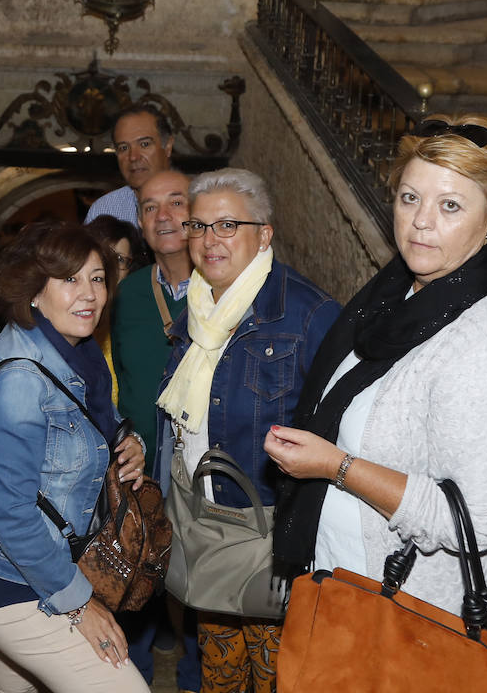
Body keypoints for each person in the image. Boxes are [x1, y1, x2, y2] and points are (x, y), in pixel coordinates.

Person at [267, 115, 487, 630]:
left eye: (450, 206)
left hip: (412, 616)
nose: (420, 222)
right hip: (343, 583)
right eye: (410, 197)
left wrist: (336, 467)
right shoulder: (399, 292)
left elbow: (472, 523)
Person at [158, 169, 340, 693]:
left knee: (273, 671)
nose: (209, 240)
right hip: (202, 516)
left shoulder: (308, 316)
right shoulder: (196, 304)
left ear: (265, 234)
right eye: (199, 226)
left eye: (228, 225)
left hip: (265, 528)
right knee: (219, 667)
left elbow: (337, 433)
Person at [0, 222, 151, 693]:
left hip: (43, 558)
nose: (89, 295)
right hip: (9, 577)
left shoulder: (75, 353)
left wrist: (129, 441)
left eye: (98, 278)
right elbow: (12, 517)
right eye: (70, 279)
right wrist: (80, 604)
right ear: (34, 293)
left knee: (12, 681)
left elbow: (95, 420)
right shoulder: (21, 383)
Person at [111, 168, 200, 690]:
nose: (164, 216)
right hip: (141, 474)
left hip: (206, 476)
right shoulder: (126, 298)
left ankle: (195, 678)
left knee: (204, 591)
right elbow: (116, 382)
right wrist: (129, 438)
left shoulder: (228, 291)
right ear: (140, 223)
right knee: (135, 588)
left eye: (176, 202)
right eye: (150, 207)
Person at [86, 212, 149, 407]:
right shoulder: (72, 319)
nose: (111, 266)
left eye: (120, 259)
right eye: (104, 255)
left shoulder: (137, 321)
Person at [85, 105, 175, 228]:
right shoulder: (103, 212)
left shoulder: (196, 202)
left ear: (168, 147)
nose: (133, 157)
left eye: (144, 144)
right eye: (124, 148)